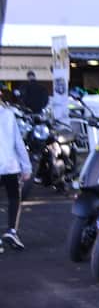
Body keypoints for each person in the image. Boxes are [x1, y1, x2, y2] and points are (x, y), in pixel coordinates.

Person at [0, 89, 32, 250]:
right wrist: (26, 166)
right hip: (9, 165)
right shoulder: (9, 114)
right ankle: (12, 230)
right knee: (14, 198)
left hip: (7, 165)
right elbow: (18, 143)